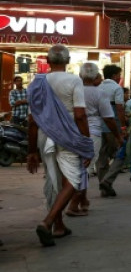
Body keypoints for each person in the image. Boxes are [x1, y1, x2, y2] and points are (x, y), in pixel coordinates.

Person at [25, 44, 95, 247]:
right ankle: (47, 222)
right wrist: (86, 144)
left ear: (48, 61)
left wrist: (31, 151)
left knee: (52, 179)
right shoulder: (74, 81)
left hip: (44, 135)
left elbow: (31, 119)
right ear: (68, 61)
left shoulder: (37, 82)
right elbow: (80, 115)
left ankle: (59, 225)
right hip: (69, 136)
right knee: (73, 179)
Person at [67, 63, 122, 216]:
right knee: (85, 168)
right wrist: (118, 136)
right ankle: (74, 203)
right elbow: (109, 118)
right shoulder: (99, 93)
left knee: (80, 167)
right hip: (92, 131)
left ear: (80, 75)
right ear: (96, 77)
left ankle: (82, 200)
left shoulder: (73, 91)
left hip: (73, 130)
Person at [96, 64, 126, 198]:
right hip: (112, 126)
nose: (120, 77)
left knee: (102, 156)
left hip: (98, 125)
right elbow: (119, 108)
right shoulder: (116, 88)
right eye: (119, 75)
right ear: (114, 76)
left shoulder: (98, 87)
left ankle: (104, 186)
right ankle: (107, 181)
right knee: (121, 154)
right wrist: (123, 127)